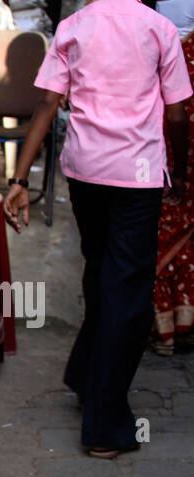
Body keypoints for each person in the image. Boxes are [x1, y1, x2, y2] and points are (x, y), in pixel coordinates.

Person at [4, 0, 192, 457]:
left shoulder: (74, 26)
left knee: (101, 272)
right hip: (137, 175)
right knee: (128, 297)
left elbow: (48, 103)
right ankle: (105, 426)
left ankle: (86, 376)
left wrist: (19, 179)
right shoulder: (159, 28)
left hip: (86, 173)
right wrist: (181, 173)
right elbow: (177, 114)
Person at [152, 9, 194, 354]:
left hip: (154, 149)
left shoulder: (151, 36)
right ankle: (182, 323)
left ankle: (165, 327)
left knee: (156, 232)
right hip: (175, 148)